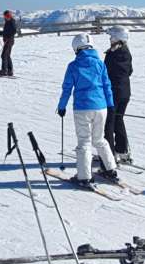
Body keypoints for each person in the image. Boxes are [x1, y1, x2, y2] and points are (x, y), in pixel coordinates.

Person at [57, 34, 117, 187]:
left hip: (83, 109)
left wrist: (62, 106)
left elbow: (67, 89)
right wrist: (110, 105)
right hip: (101, 107)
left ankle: (84, 177)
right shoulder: (100, 64)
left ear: (76, 48)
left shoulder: (73, 66)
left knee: (84, 142)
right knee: (99, 140)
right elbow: (107, 86)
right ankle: (111, 169)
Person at [103, 28, 133, 164]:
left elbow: (105, 73)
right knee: (118, 120)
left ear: (116, 38)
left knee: (109, 123)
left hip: (113, 93)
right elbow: (130, 71)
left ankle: (109, 154)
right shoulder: (127, 52)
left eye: (111, 37)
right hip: (125, 93)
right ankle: (122, 151)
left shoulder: (112, 54)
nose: (110, 39)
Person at [0, 10, 17, 76]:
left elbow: (14, 30)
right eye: (5, 16)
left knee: (4, 55)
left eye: (6, 16)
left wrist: (8, 37)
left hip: (9, 41)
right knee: (7, 55)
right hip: (8, 40)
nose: (5, 17)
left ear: (9, 16)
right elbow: (6, 31)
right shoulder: (8, 21)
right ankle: (9, 71)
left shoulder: (11, 21)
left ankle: (4, 71)